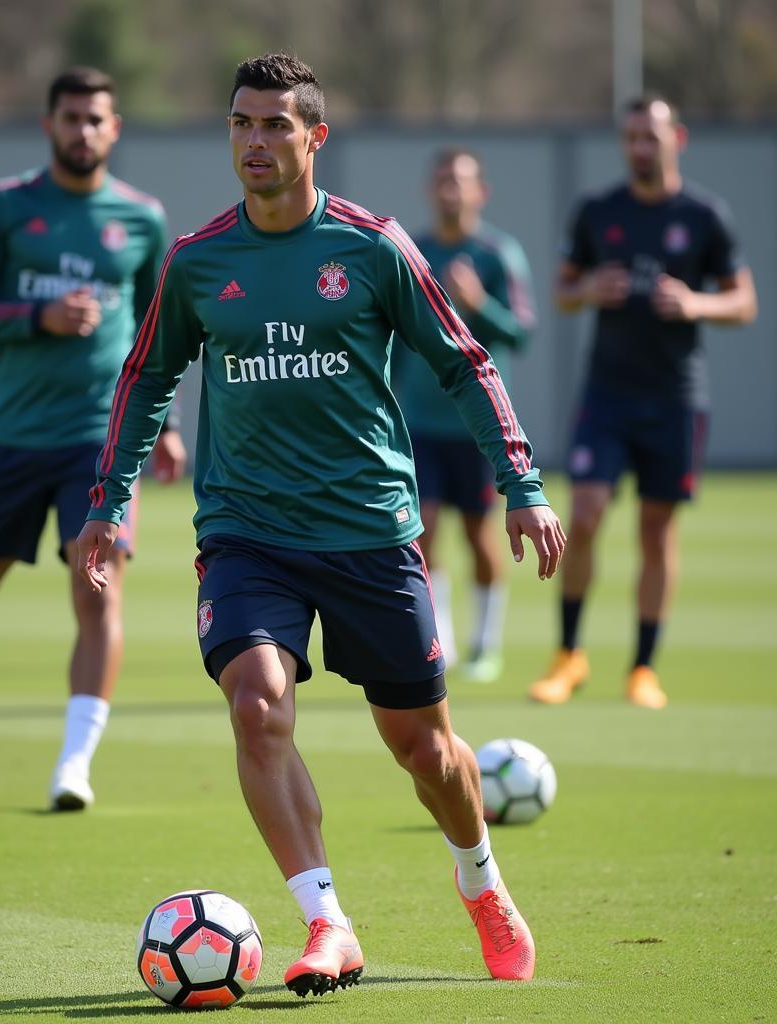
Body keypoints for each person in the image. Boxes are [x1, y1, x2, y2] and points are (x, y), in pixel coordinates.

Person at [77, 54, 565, 995]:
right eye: (240, 125)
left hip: (371, 533)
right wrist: (109, 502)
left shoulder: (373, 248)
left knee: (424, 750)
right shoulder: (195, 261)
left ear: (314, 138)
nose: (254, 142)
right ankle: (327, 921)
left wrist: (523, 483)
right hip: (246, 533)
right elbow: (144, 381)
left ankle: (482, 883)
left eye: (273, 126)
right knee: (257, 705)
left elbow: (466, 361)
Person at [0, 67, 185, 810]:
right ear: (49, 125)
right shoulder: (6, 204)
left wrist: (168, 426)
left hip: (101, 439)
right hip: (11, 438)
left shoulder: (143, 218)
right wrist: (39, 317)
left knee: (97, 591)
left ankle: (74, 763)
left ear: (114, 128)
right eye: (70, 118)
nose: (83, 131)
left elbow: (164, 335)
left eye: (96, 119)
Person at [529, 94, 757, 710]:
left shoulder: (705, 215)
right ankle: (568, 655)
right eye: (629, 137)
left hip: (675, 397)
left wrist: (697, 303)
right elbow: (562, 290)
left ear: (675, 138)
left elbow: (744, 300)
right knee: (585, 513)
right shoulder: (598, 212)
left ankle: (642, 668)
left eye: (649, 137)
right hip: (606, 394)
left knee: (657, 532)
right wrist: (586, 289)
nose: (638, 148)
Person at [392, 149, 536, 682]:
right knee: (423, 531)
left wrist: (478, 302)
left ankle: (486, 643)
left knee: (480, 536)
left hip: (475, 428)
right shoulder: (415, 251)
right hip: (420, 424)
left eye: (461, 181)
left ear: (481, 191)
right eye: (442, 181)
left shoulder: (497, 254)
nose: (450, 190)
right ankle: (441, 641)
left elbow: (520, 332)